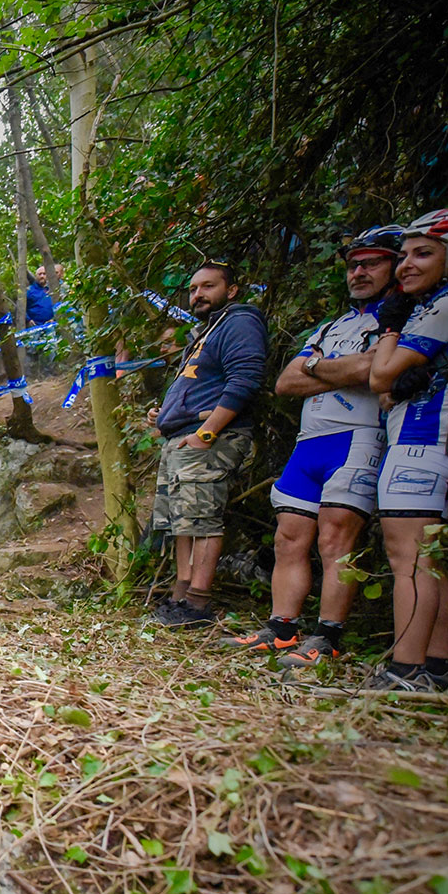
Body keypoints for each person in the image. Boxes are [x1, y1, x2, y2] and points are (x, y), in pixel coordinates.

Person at [234, 225, 400, 666]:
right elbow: (287, 382)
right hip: (310, 443)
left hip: (359, 437)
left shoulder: (403, 318)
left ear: (397, 265)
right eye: (353, 265)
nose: (359, 272)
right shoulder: (334, 325)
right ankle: (282, 629)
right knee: (289, 538)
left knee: (335, 539)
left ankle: (329, 637)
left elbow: (374, 370)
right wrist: (338, 367)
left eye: (372, 263)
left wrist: (318, 367)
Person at [367, 209, 448, 691]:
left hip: (425, 443)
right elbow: (387, 390)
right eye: (403, 255)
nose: (405, 265)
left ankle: (405, 670)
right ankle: (438, 666)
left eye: (424, 253)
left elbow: (380, 377)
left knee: (409, 561)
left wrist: (388, 331)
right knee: (430, 559)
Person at [145, 260, 267, 628]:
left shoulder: (239, 322)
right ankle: (181, 593)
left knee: (201, 518)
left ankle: (198, 602)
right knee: (182, 521)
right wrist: (164, 414)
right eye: (194, 288)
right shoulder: (206, 331)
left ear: (230, 290)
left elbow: (245, 380)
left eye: (208, 286)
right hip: (181, 438)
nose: (198, 294)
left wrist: (207, 433)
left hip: (209, 439)